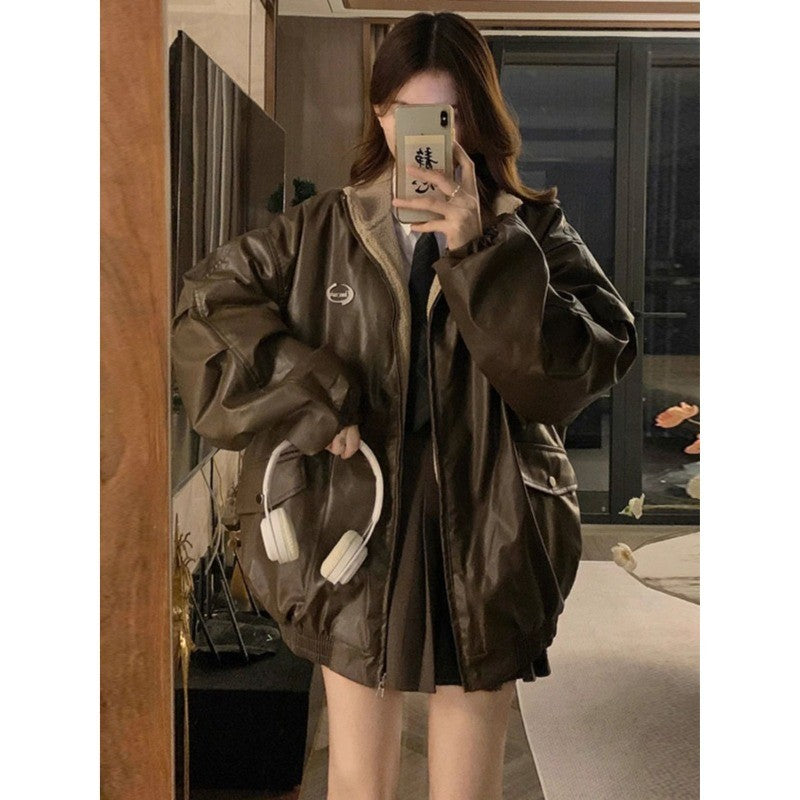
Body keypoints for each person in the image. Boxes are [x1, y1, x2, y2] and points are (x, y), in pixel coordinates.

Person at [171, 11, 637, 800]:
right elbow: (205, 313)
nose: (417, 136)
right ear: (380, 114)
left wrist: (481, 251)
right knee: (359, 780)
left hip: (489, 528)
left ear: (472, 119)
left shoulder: (531, 232)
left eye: (439, 115)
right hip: (353, 518)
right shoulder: (318, 231)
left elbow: (577, 368)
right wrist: (312, 394)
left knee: (467, 785)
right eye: (400, 112)